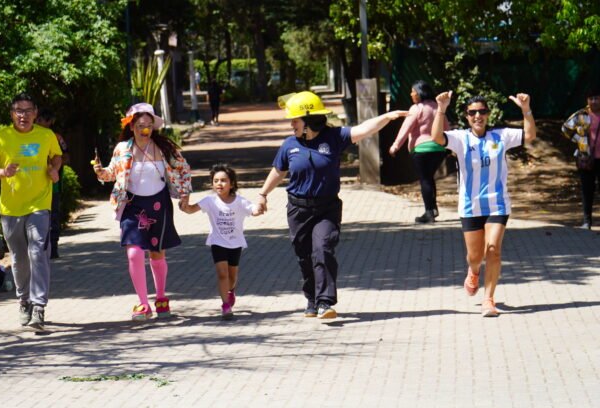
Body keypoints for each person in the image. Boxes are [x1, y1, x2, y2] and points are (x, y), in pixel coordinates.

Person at [256, 91, 408, 319]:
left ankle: (326, 302)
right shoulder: (289, 145)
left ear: (307, 122)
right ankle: (311, 299)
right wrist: (262, 194)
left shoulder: (334, 137)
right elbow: (278, 171)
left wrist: (388, 116)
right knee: (304, 257)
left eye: (295, 121)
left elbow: (364, 129)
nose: (291, 125)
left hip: (326, 208)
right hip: (298, 210)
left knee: (323, 249)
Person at [431, 91, 536, 317]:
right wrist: (441, 108)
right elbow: (437, 138)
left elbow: (529, 135)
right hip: (470, 206)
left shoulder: (501, 136)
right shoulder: (460, 139)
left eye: (482, 111)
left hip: (498, 204)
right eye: (473, 112)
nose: (478, 115)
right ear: (467, 116)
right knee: (475, 256)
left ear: (488, 114)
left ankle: (489, 300)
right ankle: (474, 270)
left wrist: (526, 110)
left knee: (493, 250)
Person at [93, 103, 192, 321]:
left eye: (148, 125)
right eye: (139, 125)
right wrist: (101, 172)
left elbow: (184, 169)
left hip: (159, 204)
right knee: (134, 253)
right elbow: (113, 173)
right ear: (131, 127)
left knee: (157, 253)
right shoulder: (122, 149)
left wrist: (185, 195)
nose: (144, 129)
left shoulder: (163, 148)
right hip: (131, 204)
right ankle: (143, 303)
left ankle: (161, 297)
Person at [0, 93, 62, 330]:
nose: (23, 115)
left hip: (39, 204)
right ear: (11, 113)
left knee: (38, 252)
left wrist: (53, 169)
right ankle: (23, 300)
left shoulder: (46, 135)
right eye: (18, 110)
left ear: (35, 113)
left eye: (27, 110)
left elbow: (56, 156)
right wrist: (2, 173)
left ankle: (38, 306)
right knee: (19, 258)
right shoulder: (1, 137)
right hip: (11, 208)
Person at [179, 164, 263, 319]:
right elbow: (190, 210)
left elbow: (254, 210)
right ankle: (225, 306)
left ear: (232, 183)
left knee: (232, 276)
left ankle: (230, 291)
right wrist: (184, 205)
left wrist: (260, 207)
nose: (219, 184)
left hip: (235, 243)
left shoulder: (239, 201)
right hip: (217, 242)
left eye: (223, 180)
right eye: (216, 180)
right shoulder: (209, 201)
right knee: (222, 274)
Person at [389, 80, 450, 223]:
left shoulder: (416, 108)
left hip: (421, 150)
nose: (411, 94)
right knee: (429, 178)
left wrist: (395, 145)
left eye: (413, 91)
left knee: (425, 179)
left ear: (420, 93)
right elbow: (447, 128)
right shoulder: (438, 108)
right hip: (439, 149)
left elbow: (406, 128)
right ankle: (433, 208)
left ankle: (429, 212)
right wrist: (451, 146)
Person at [562, 87, 600, 230]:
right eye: (591, 99)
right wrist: (579, 139)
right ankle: (587, 221)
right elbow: (565, 128)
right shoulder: (581, 115)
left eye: (597, 98)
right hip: (586, 158)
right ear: (587, 100)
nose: (594, 101)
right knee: (587, 190)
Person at [35, 108, 70, 258]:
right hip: (33, 185)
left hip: (53, 185)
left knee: (53, 217)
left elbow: (66, 156)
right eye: (38, 120)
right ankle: (40, 249)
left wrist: (53, 165)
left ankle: (53, 248)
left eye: (41, 120)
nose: (39, 123)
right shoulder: (29, 137)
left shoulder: (55, 137)